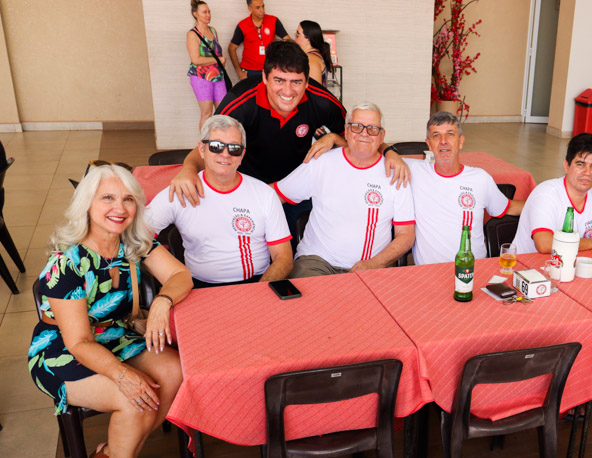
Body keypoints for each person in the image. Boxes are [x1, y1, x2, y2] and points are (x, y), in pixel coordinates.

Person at [28, 165, 193, 458]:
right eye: (108, 198)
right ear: (87, 204)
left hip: (116, 336)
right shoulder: (66, 264)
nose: (119, 208)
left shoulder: (134, 244)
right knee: (135, 398)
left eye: (128, 199)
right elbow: (79, 342)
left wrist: (163, 301)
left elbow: (181, 276)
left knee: (175, 372)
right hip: (62, 352)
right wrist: (124, 376)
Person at [167, 42, 409, 232]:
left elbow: (362, 133)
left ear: (307, 81)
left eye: (296, 82)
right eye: (279, 80)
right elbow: (209, 147)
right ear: (264, 77)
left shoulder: (321, 101)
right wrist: (188, 169)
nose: (287, 91)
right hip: (249, 185)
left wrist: (386, 151)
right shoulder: (240, 102)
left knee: (295, 246)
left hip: (296, 186)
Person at [146, 115, 292, 287]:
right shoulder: (180, 191)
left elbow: (284, 258)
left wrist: (259, 291)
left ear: (242, 155)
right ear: (202, 149)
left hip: (257, 283)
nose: (225, 154)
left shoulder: (265, 194)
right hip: (199, 288)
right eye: (216, 146)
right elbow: (136, 236)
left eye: (234, 149)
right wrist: (173, 275)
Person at [275, 102, 415, 276]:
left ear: (382, 136)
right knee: (304, 293)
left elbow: (406, 235)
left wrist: (375, 263)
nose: (364, 133)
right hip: (317, 262)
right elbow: (275, 195)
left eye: (372, 128)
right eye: (357, 127)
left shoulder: (396, 173)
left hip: (373, 267)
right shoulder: (321, 162)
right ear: (347, 131)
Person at [406, 111, 523, 265]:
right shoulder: (414, 170)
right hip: (429, 272)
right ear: (429, 144)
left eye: (450, 134)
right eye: (436, 135)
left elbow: (508, 207)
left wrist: (543, 204)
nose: (443, 141)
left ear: (461, 141)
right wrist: (389, 152)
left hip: (474, 269)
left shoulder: (480, 178)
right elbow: (378, 154)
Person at [512, 133, 592, 255]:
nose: (587, 172)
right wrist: (590, 242)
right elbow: (544, 244)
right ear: (566, 166)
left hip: (570, 264)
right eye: (580, 164)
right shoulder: (545, 193)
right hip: (525, 266)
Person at [186, 0, 227, 130]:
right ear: (195, 14)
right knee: (207, 113)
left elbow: (218, 52)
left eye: (209, 11)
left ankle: (218, 139)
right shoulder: (193, 34)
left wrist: (221, 63)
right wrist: (218, 60)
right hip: (201, 77)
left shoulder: (213, 31)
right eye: (204, 12)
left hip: (218, 77)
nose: (208, 15)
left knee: (222, 112)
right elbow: (196, 59)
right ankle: (205, 141)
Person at [228, 0, 289, 81]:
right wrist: (239, 72)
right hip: (249, 71)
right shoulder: (243, 25)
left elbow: (287, 40)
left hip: (269, 69)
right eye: (258, 7)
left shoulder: (273, 21)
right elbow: (231, 48)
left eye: (263, 6)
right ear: (250, 9)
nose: (262, 10)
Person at [294, 20, 333, 86]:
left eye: (298, 34)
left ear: (308, 40)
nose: (294, 35)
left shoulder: (311, 60)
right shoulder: (312, 56)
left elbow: (315, 90)